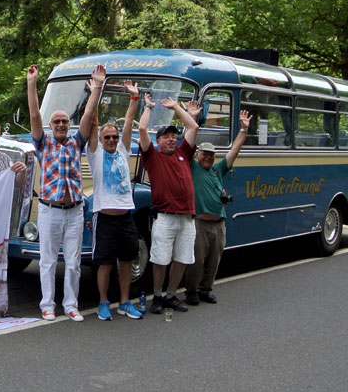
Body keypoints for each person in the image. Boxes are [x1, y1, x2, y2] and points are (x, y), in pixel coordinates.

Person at [27, 64, 93, 322]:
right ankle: (47, 305)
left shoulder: (77, 142)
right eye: (57, 121)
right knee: (48, 261)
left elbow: (87, 116)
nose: (61, 124)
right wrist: (32, 83)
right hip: (50, 209)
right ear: (51, 125)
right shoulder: (43, 143)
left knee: (74, 262)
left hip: (75, 210)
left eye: (65, 121)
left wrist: (95, 89)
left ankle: (71, 305)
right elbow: (34, 115)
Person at [82, 66, 143, 320]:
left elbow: (129, 122)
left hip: (125, 217)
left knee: (127, 261)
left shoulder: (123, 151)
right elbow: (93, 121)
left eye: (113, 137)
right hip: (104, 217)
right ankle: (104, 302)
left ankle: (125, 301)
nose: (110, 140)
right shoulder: (95, 154)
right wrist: (96, 89)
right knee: (104, 263)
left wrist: (134, 98)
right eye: (107, 137)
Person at [138, 94, 199, 315]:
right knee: (160, 258)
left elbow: (192, 127)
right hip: (164, 216)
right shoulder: (152, 157)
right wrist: (148, 107)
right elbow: (143, 131)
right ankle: (157, 296)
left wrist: (176, 107)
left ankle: (172, 295)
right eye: (166, 137)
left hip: (187, 217)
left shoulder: (184, 153)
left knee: (182, 258)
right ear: (159, 141)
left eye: (174, 136)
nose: (171, 139)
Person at [185, 109, 252, 305]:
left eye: (211, 154)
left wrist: (243, 130)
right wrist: (192, 117)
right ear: (198, 154)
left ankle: (205, 289)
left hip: (218, 223)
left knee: (214, 261)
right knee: (196, 261)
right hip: (200, 222)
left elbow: (234, 151)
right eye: (205, 153)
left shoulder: (217, 170)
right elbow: (187, 142)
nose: (208, 157)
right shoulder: (192, 167)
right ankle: (191, 292)